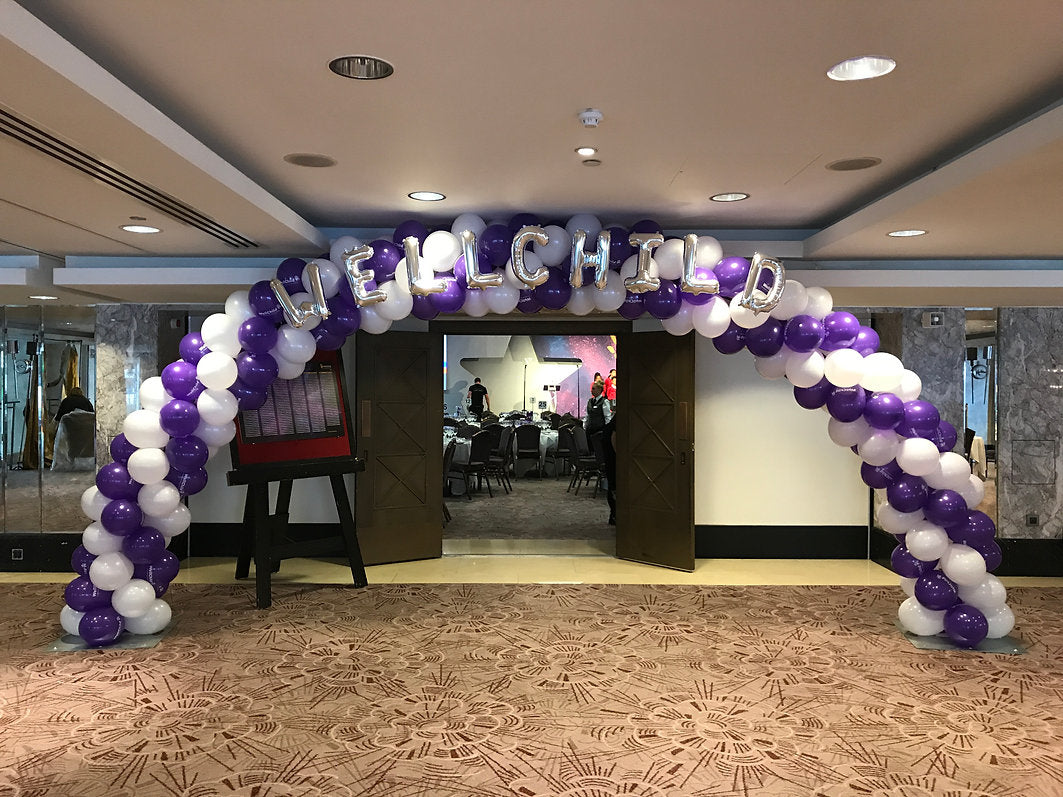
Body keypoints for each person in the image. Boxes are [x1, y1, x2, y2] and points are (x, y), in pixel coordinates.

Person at [602, 414, 617, 525]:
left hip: (608, 458)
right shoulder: (618, 423)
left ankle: (614, 515)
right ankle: (615, 515)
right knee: (615, 486)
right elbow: (614, 439)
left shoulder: (610, 425)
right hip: (614, 459)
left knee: (613, 485)